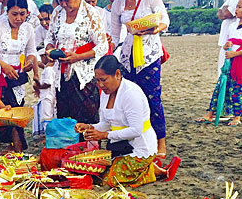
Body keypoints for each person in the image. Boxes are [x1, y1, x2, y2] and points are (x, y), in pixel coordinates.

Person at [75, 55, 179, 186]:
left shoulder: (131, 93)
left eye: (103, 80)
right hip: (121, 147)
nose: (100, 85)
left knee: (107, 180)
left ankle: (151, 170)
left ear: (117, 74)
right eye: (97, 81)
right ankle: (151, 168)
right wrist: (89, 127)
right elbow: (106, 123)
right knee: (95, 171)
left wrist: (105, 135)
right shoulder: (105, 94)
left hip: (140, 147)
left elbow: (136, 130)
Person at [110, 0, 169, 158]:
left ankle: (161, 142)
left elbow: (165, 20)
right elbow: (115, 34)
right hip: (128, 57)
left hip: (149, 55)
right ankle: (134, 140)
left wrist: (154, 29)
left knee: (152, 98)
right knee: (130, 99)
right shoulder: (117, 5)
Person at [45, 0, 109, 126]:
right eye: (60, 0)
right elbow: (50, 38)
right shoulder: (57, 12)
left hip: (84, 77)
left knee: (86, 119)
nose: (64, 4)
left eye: (67, 0)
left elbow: (102, 46)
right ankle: (67, 150)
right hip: (62, 76)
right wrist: (49, 50)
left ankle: (89, 150)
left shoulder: (91, 13)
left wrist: (77, 57)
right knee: (65, 118)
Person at [0, 0, 38, 158]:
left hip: (16, 79)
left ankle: (17, 152)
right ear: (7, 12)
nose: (19, 18)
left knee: (15, 116)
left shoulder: (28, 29)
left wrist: (29, 60)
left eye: (23, 14)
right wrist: (4, 65)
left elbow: (32, 50)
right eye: (14, 14)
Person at [200, 0, 242, 126]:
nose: (236, 10)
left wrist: (236, 53)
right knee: (220, 86)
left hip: (241, 64)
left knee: (237, 89)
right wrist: (227, 46)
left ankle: (237, 116)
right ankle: (211, 113)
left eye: (239, 7)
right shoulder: (233, 25)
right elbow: (228, 41)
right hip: (229, 62)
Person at [32, 53, 57, 137]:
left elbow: (47, 84)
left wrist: (38, 84)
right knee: (47, 116)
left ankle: (49, 137)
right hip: (47, 95)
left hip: (47, 96)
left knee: (47, 117)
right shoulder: (49, 68)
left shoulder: (49, 70)